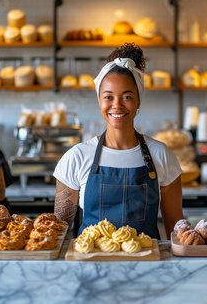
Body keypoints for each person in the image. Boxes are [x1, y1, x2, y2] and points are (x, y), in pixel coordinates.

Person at [53, 43, 184, 239]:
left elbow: (176, 229)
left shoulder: (161, 155)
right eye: (108, 97)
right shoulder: (77, 157)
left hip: (147, 266)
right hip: (90, 266)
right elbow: (57, 233)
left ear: (138, 101)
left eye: (127, 97)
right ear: (99, 101)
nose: (117, 105)